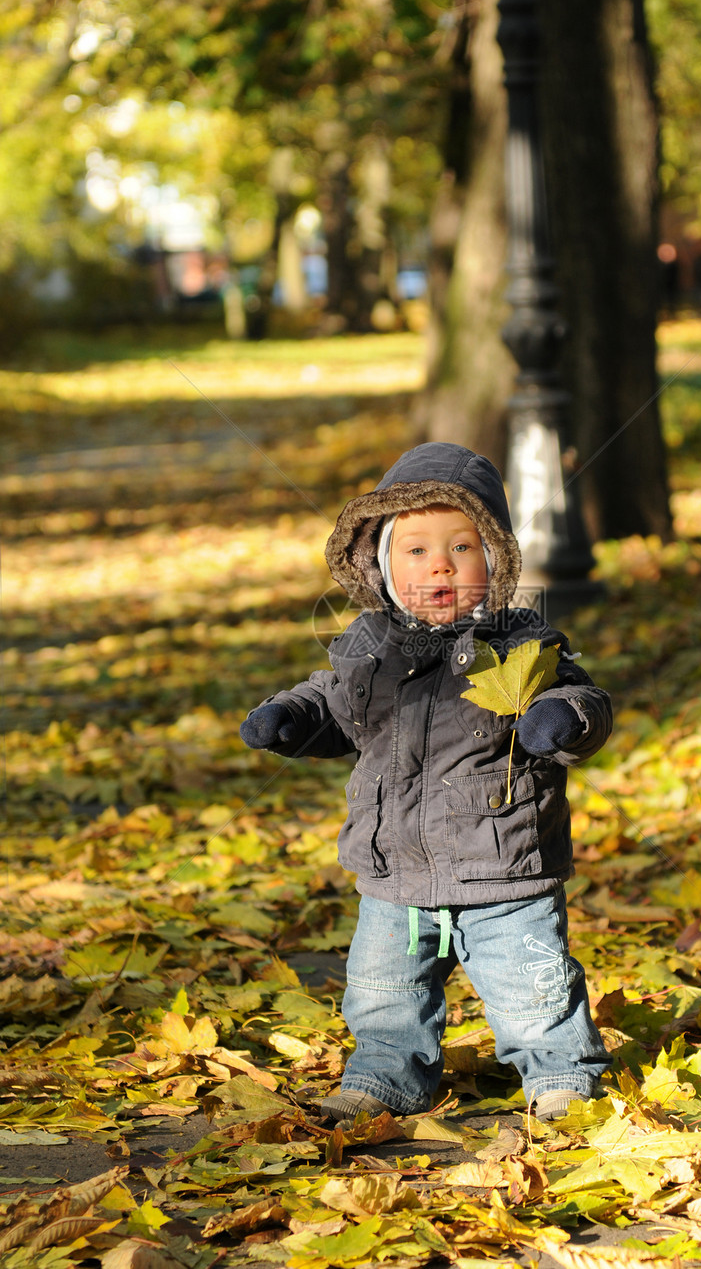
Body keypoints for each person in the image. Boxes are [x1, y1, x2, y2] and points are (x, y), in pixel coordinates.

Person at [240, 443, 612, 1122]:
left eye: (462, 547)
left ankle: (561, 1077)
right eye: (415, 551)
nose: (439, 563)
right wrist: (293, 718)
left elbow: (584, 697)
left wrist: (562, 719)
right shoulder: (368, 648)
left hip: (504, 870)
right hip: (395, 873)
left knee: (535, 989)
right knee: (384, 991)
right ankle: (385, 1075)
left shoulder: (520, 644)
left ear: (495, 559)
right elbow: (335, 705)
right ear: (379, 565)